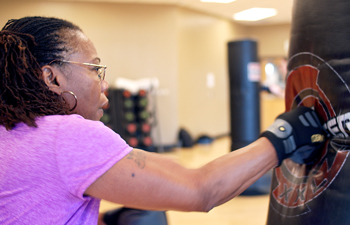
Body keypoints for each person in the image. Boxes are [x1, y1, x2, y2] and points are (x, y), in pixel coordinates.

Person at [0, 16, 326, 225]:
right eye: (95, 68)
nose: (104, 82)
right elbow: (201, 190)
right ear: (52, 77)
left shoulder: (10, 133)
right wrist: (286, 133)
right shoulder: (64, 136)